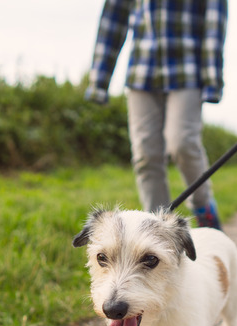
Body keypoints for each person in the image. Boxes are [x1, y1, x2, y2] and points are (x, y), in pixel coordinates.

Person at [85, 0, 227, 229]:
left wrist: (212, 78)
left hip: (188, 70)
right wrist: (99, 80)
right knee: (145, 155)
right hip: (142, 70)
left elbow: (214, 20)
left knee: (182, 142)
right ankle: (157, 228)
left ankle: (204, 210)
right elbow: (113, 18)